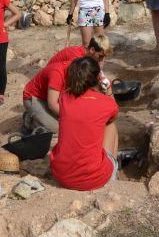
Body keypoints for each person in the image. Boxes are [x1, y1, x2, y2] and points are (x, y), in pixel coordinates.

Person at [49, 57, 119, 190]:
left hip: (62, 176)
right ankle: (113, 174)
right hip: (93, 178)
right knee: (111, 125)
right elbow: (113, 113)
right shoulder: (106, 103)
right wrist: (108, 90)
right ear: (98, 78)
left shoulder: (64, 97)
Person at [22, 60, 70, 134]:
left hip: (51, 96)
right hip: (35, 98)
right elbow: (52, 105)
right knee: (56, 128)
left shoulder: (79, 66)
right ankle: (29, 120)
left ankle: (38, 115)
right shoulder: (57, 74)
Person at [47, 34, 112, 65]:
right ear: (92, 50)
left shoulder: (85, 55)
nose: (101, 60)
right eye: (100, 56)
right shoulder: (77, 57)